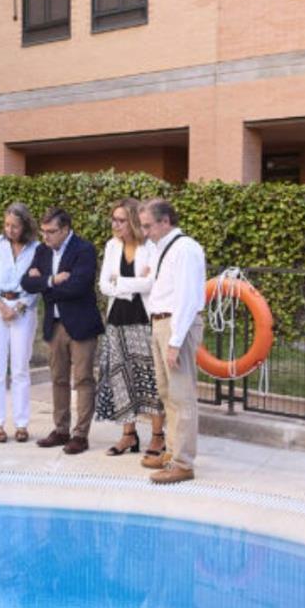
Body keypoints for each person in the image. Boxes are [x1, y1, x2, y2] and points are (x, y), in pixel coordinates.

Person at [20, 207, 104, 455]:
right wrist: (53, 280)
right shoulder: (42, 250)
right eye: (44, 232)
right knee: (58, 379)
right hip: (54, 325)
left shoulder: (84, 249)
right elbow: (26, 282)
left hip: (81, 325)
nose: (46, 237)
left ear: (65, 229)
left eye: (51, 232)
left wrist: (43, 282)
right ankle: (61, 430)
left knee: (83, 380)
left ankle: (80, 435)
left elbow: (78, 286)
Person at [138, 198, 205, 484]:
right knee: (167, 393)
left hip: (176, 325)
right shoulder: (162, 248)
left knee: (182, 395)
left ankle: (183, 463)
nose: (145, 232)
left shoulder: (186, 249)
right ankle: (174, 452)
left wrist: (175, 341)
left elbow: (188, 298)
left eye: (148, 226)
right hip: (161, 322)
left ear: (165, 221)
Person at [95, 198, 165, 458]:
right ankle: (128, 435)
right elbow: (104, 284)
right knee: (120, 377)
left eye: (121, 220)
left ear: (134, 220)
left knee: (150, 379)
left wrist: (121, 282)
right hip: (117, 320)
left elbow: (151, 284)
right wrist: (132, 282)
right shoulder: (112, 246)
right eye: (113, 219)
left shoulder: (151, 247)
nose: (115, 224)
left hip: (144, 320)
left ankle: (158, 437)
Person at [0, 203, 41, 443]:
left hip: (23, 311)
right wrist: (1, 305)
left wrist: (20, 307)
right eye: (6, 225)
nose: (10, 229)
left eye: (15, 226)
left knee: (20, 369)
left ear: (25, 225)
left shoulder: (37, 249)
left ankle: (22, 424)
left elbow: (37, 284)